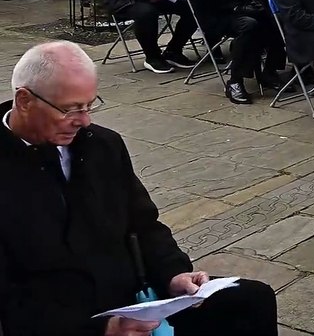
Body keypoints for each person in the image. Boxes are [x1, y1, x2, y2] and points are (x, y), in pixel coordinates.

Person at [0, 41, 279, 336]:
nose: (84, 120)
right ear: (25, 101)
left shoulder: (102, 145)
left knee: (251, 300)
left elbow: (143, 223)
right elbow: (8, 299)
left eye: (89, 105)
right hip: (62, 319)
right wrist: (102, 328)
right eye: (70, 109)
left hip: (135, 297)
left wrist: (173, 273)